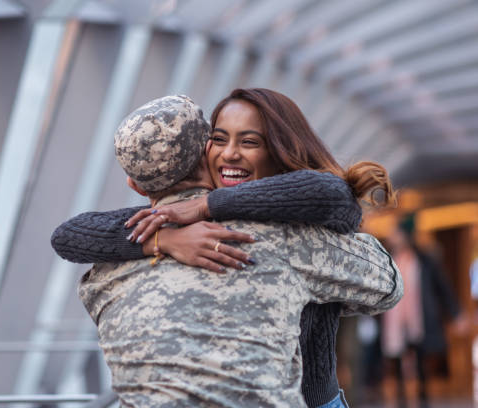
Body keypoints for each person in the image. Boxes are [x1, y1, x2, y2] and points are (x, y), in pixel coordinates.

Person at [52, 88, 396, 408]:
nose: (230, 153)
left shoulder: (104, 275)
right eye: (219, 139)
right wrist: (165, 238)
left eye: (249, 142)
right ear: (204, 152)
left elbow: (333, 196)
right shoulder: (284, 238)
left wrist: (207, 205)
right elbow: (69, 234)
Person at [382, 216, 460, 408]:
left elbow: (443, 287)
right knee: (398, 360)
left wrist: (456, 313)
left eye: (397, 233)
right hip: (395, 319)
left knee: (421, 359)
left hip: (418, 318)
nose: (393, 237)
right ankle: (401, 401)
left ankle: (423, 399)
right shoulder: (388, 259)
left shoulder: (424, 260)